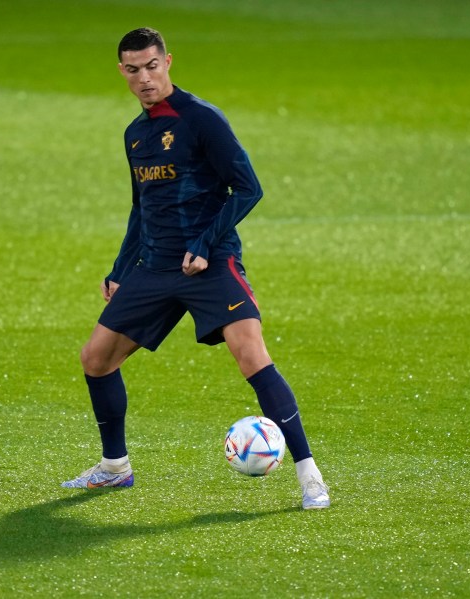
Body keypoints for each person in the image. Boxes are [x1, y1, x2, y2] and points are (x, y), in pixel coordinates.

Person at [61, 27, 330, 509]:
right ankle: (115, 468)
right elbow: (140, 207)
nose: (144, 78)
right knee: (95, 359)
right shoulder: (136, 135)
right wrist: (121, 267)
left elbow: (247, 187)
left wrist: (206, 244)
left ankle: (310, 476)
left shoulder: (202, 119)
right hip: (156, 265)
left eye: (151, 66)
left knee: (251, 354)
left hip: (210, 263)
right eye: (133, 69)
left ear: (168, 62)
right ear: (122, 72)